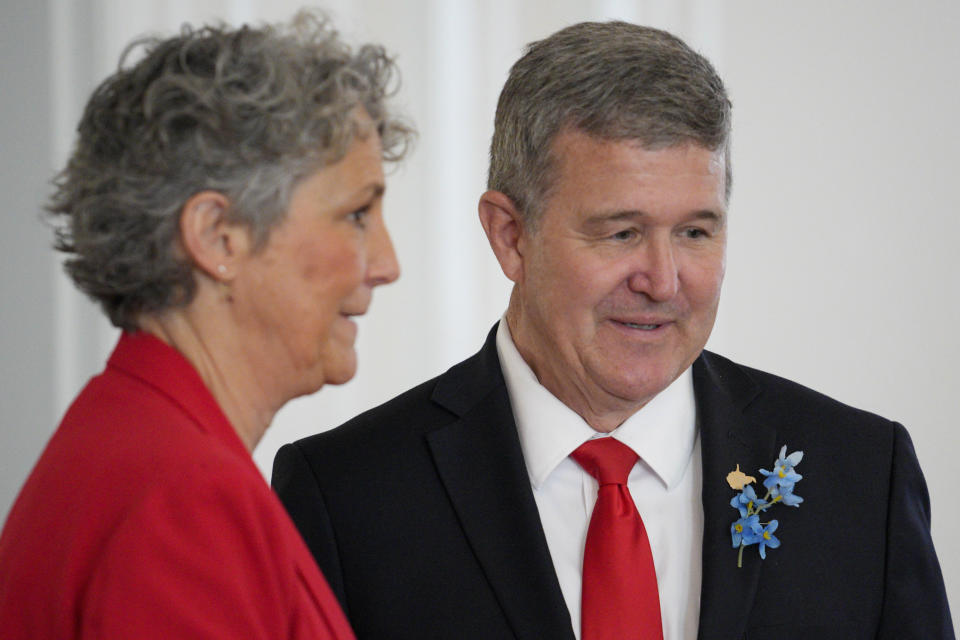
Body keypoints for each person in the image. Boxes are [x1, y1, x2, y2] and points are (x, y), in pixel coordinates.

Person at [272, 20, 954, 640]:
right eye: (621, 232)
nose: (662, 280)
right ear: (511, 237)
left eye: (694, 232)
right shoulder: (345, 495)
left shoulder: (860, 474)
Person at [0, 10, 411, 639]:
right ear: (218, 236)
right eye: (357, 214)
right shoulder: (185, 500)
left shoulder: (131, 446)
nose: (387, 265)